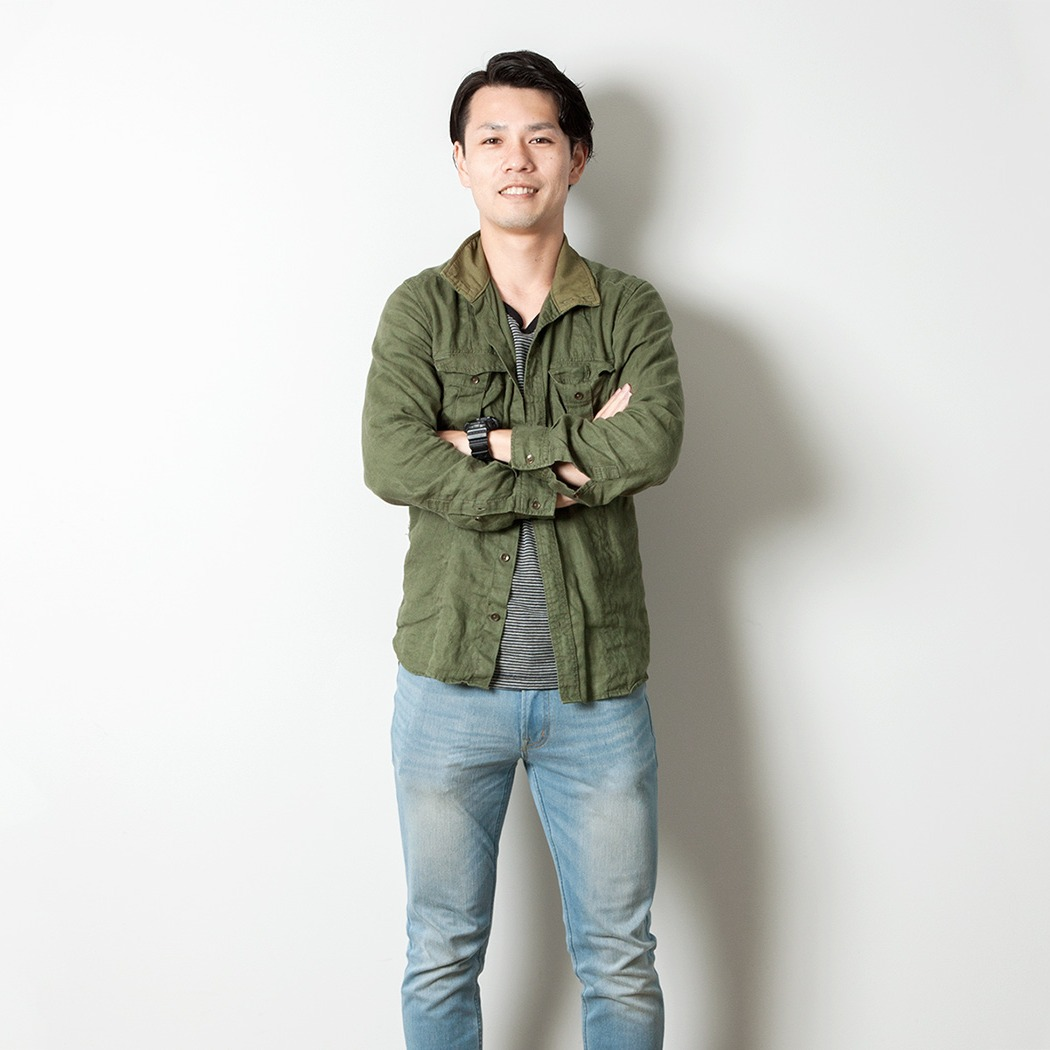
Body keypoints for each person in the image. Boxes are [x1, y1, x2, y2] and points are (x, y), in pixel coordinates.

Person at [362, 49, 684, 1050]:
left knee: (620, 960)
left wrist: (484, 442)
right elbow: (390, 458)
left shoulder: (629, 309)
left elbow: (651, 444)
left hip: (598, 693)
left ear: (576, 158)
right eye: (492, 138)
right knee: (440, 951)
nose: (517, 158)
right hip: (448, 684)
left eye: (540, 137)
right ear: (461, 160)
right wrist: (568, 459)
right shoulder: (420, 309)